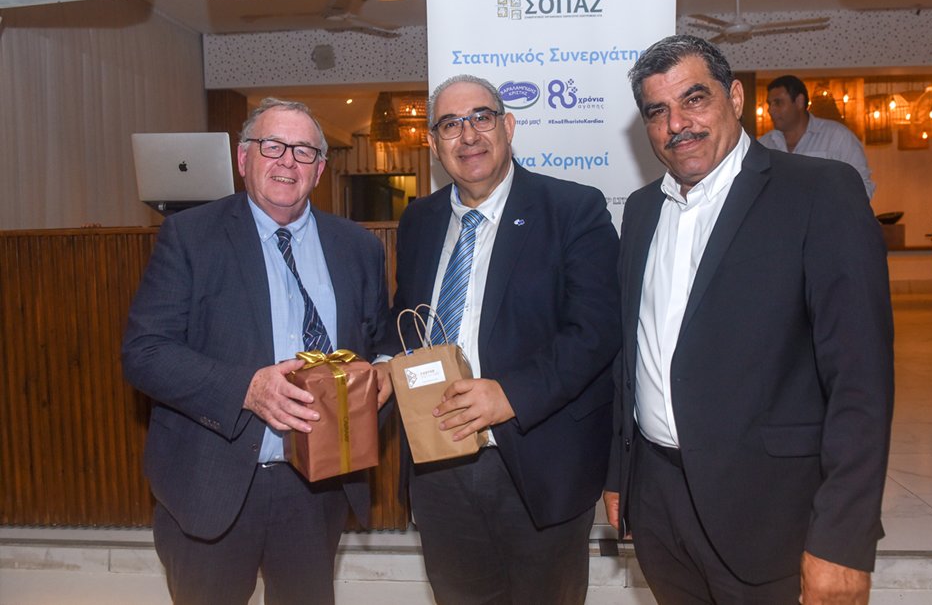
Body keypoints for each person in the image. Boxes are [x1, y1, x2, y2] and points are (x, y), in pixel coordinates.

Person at [603, 36, 894, 604]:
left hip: (771, 516)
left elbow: (860, 382)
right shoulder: (641, 211)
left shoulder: (820, 192)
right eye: (658, 111)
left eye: (694, 99)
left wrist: (843, 539)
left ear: (734, 98)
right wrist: (621, 476)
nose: (677, 124)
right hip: (660, 509)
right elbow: (631, 356)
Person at [121, 98, 391, 604]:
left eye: (304, 151)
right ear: (244, 158)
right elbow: (145, 351)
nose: (288, 161)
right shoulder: (190, 236)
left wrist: (384, 372)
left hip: (317, 488)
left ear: (320, 170)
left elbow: (379, 343)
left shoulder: (358, 247)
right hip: (212, 482)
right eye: (273, 146)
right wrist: (246, 389)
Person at [388, 74, 620, 604]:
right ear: (433, 144)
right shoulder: (419, 220)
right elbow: (407, 319)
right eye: (450, 124)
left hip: (537, 462)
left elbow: (596, 330)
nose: (468, 135)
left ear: (508, 126)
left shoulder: (573, 209)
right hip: (438, 463)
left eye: (481, 117)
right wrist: (385, 364)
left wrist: (509, 394)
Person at [759, 74, 876, 199]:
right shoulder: (764, 145)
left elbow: (862, 187)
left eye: (778, 103)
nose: (770, 110)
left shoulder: (837, 137)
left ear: (799, 102)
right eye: (769, 104)